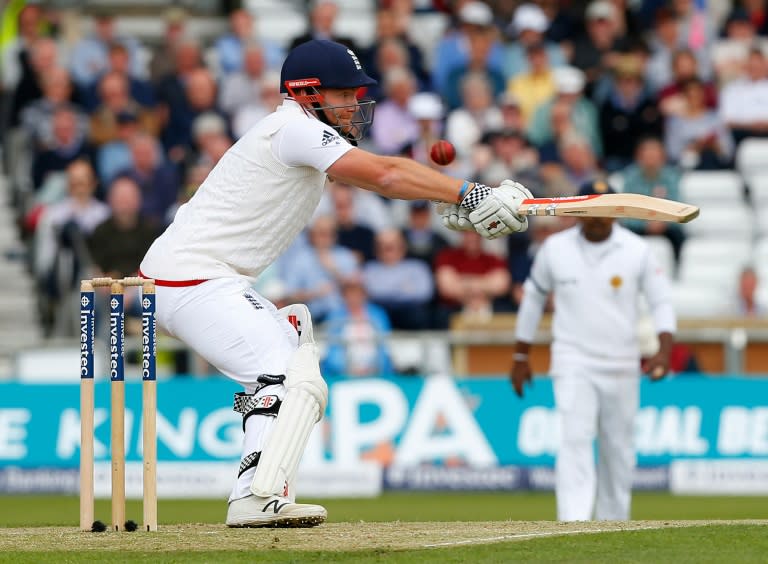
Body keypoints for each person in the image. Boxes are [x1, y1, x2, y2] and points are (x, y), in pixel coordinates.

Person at [138, 39, 532, 528]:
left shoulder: (301, 133)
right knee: (285, 374)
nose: (355, 105)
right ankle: (253, 498)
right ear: (308, 93)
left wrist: (446, 203)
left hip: (200, 279)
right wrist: (470, 192)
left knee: (296, 353)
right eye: (345, 94)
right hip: (191, 278)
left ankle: (266, 493)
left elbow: (384, 176)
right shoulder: (293, 128)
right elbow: (385, 175)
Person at [510, 180, 676, 522]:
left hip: (622, 363)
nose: (599, 218)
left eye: (606, 210)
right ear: (578, 212)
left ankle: (614, 523)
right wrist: (520, 356)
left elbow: (661, 302)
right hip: (574, 361)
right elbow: (533, 300)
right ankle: (574, 522)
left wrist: (664, 350)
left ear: (617, 211)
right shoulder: (554, 249)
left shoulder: (637, 250)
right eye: (592, 210)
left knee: (618, 449)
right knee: (575, 439)